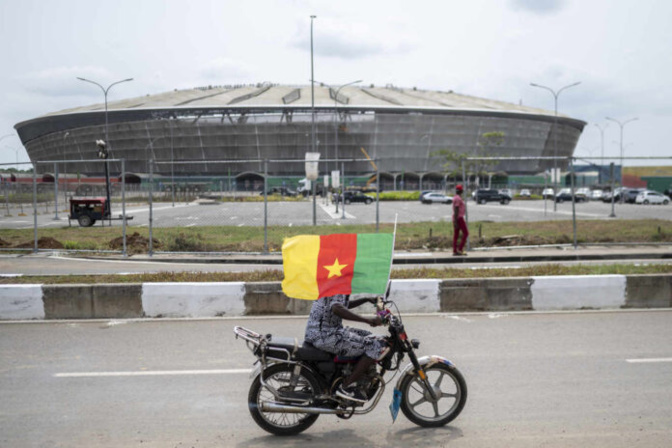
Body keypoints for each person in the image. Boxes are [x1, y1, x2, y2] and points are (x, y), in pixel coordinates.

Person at [304, 294, 385, 403]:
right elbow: (337, 308)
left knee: (369, 335)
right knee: (373, 346)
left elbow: (342, 305)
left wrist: (366, 299)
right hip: (325, 335)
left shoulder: (335, 280)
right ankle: (346, 387)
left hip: (325, 331)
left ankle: (352, 374)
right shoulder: (338, 284)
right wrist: (367, 320)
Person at [452, 184, 469, 256]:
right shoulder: (458, 199)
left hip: (456, 218)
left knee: (456, 235)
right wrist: (456, 221)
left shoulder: (455, 197)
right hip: (459, 218)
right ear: (461, 191)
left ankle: (455, 250)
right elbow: (456, 209)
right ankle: (460, 249)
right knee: (466, 233)